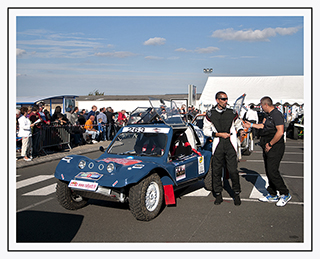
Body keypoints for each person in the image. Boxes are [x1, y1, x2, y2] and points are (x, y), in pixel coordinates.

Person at [243, 96, 291, 207]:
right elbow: (263, 126)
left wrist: (270, 144)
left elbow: (280, 132)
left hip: (275, 145)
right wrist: (250, 125)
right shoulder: (267, 115)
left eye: (261, 105)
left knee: (273, 171)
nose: (260, 107)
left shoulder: (276, 114)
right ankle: (273, 194)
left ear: (266, 104)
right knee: (269, 171)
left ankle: (285, 193)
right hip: (267, 144)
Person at [203, 91, 245, 206]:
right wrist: (218, 134)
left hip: (230, 144)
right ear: (217, 100)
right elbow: (205, 130)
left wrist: (241, 131)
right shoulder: (210, 114)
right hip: (217, 144)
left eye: (226, 99)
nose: (226, 101)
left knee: (233, 170)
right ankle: (218, 194)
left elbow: (238, 124)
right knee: (216, 171)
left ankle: (236, 193)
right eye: (223, 99)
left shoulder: (232, 112)